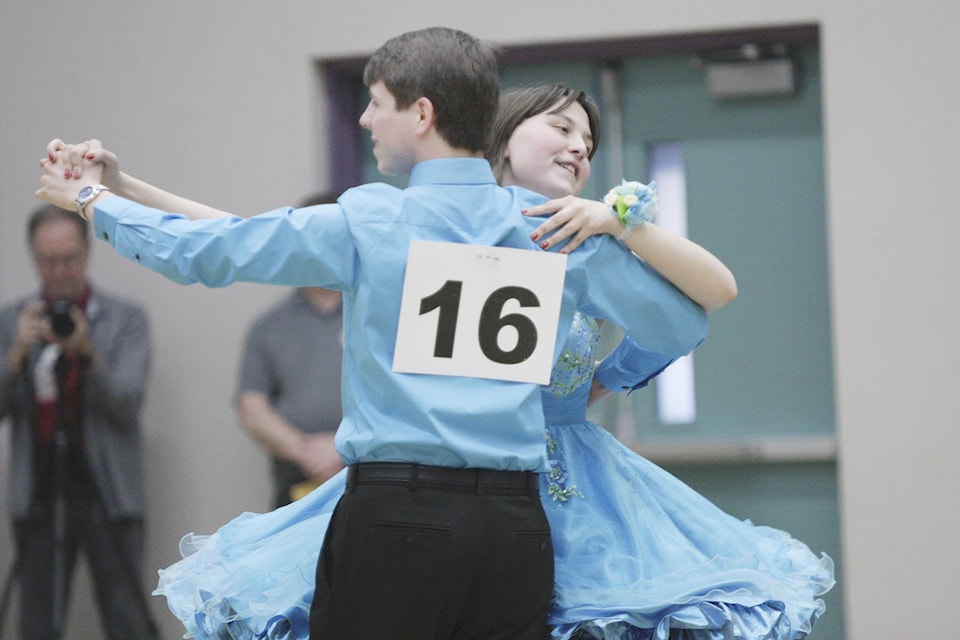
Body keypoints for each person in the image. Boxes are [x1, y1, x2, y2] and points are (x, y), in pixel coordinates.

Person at [35, 28, 708, 640]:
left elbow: (217, 249)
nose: (364, 119)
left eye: (376, 102)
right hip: (515, 526)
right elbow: (680, 320)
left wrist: (94, 202)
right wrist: (606, 380)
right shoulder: (554, 229)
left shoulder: (371, 221)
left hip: (397, 519)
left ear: (422, 114)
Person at [150, 85, 831, 640]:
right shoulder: (422, 223)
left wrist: (621, 235)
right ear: (502, 137)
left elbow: (702, 303)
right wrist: (119, 191)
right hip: (432, 479)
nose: (578, 147)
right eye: (562, 128)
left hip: (569, 486)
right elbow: (242, 233)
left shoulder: (578, 241)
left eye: (589, 143)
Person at [0, 204, 158, 640]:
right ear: (33, 258)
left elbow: (126, 404)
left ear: (87, 254)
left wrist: (87, 350)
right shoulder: (12, 322)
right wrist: (15, 355)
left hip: (108, 492)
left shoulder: (126, 320)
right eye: (48, 261)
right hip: (39, 493)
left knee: (127, 617)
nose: (59, 271)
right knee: (37, 621)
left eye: (68, 259)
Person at [236, 195, 344, 508]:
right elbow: (252, 407)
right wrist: (311, 453)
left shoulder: (384, 316)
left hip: (373, 479)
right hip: (297, 481)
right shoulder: (269, 325)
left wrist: (343, 448)